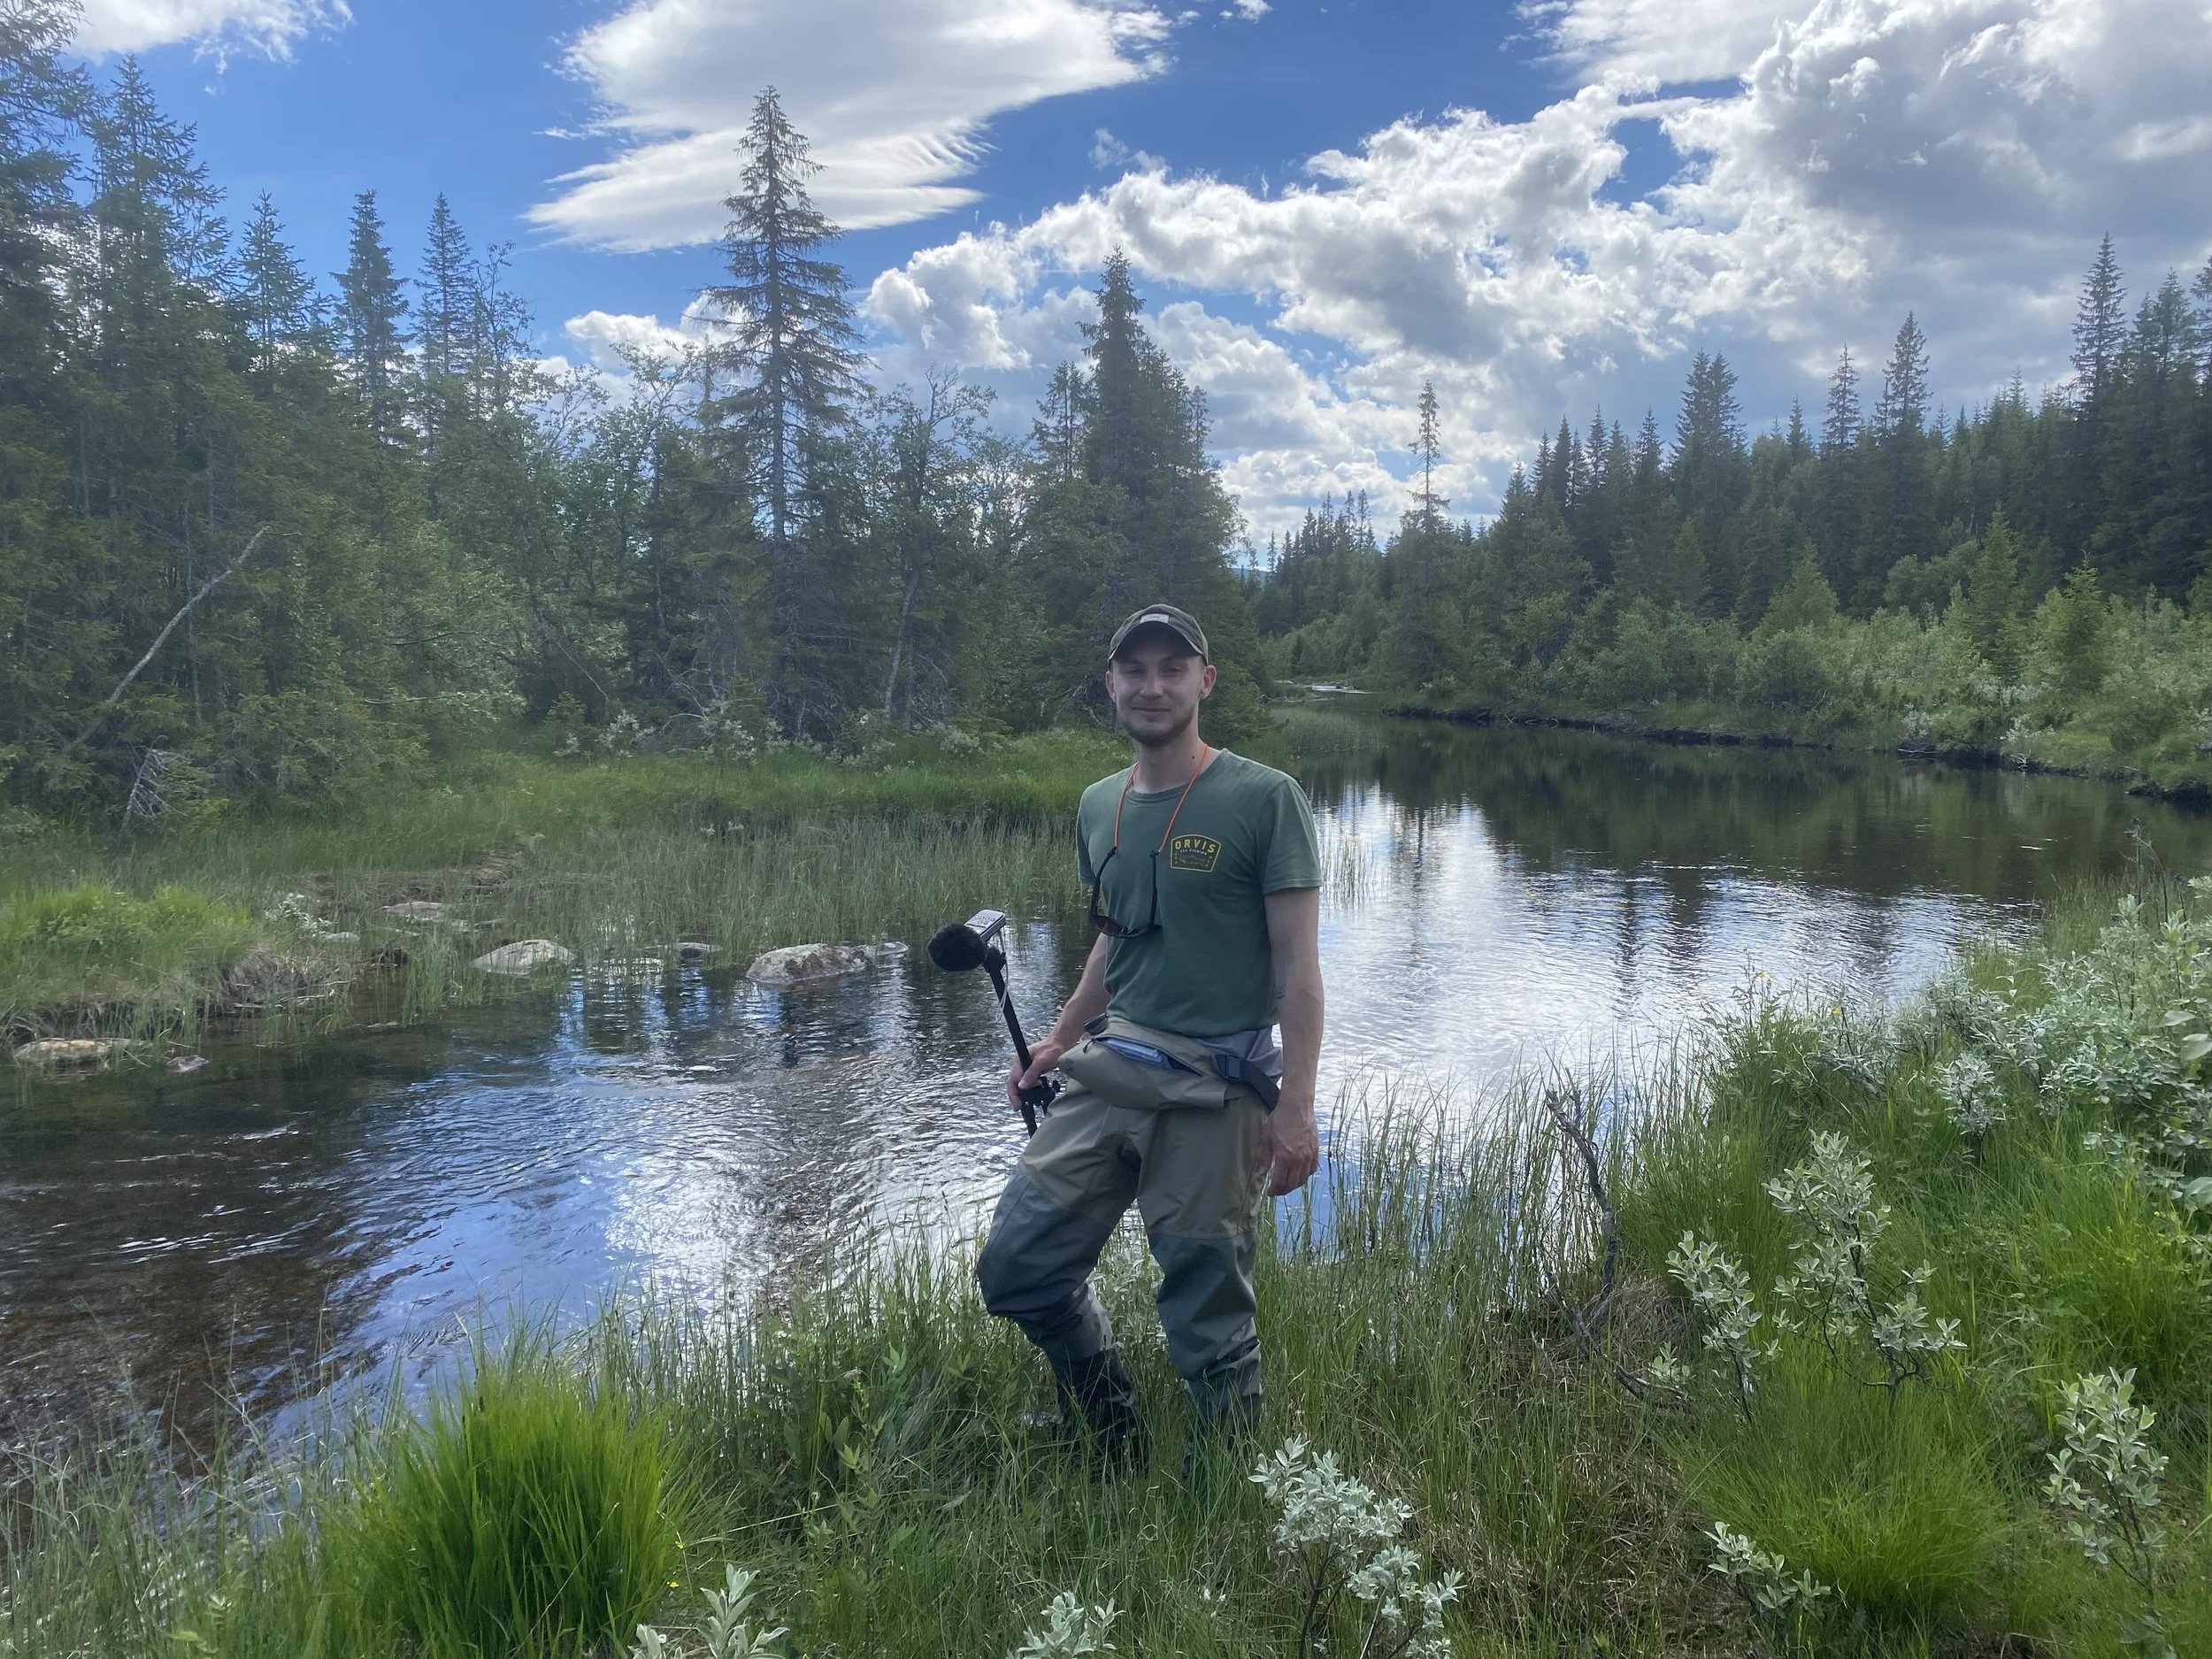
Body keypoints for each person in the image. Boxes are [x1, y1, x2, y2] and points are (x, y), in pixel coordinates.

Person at [976, 603, 1323, 1464]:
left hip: (1220, 1084)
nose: (1152, 685)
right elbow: (1115, 936)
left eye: (1173, 668)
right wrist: (1058, 1038)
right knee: (1017, 1266)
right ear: (1111, 685)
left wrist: (1297, 1108)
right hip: (1111, 1069)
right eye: (1135, 669)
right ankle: (1110, 1423)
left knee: (1207, 1311)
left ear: (1206, 681)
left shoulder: (1264, 799)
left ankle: (1222, 1495)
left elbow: (1298, 968)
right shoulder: (1100, 804)